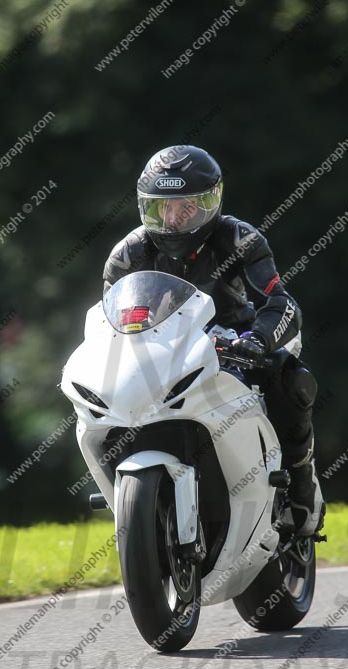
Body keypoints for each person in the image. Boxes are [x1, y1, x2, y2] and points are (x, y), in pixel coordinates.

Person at [102, 145, 325, 536]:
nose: (172, 220)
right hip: (159, 353)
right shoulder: (128, 253)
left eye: (185, 208)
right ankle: (129, 497)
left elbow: (280, 302)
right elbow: (107, 319)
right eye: (161, 208)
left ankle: (300, 487)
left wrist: (257, 340)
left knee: (288, 376)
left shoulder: (238, 238)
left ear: (211, 203)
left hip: (233, 344)